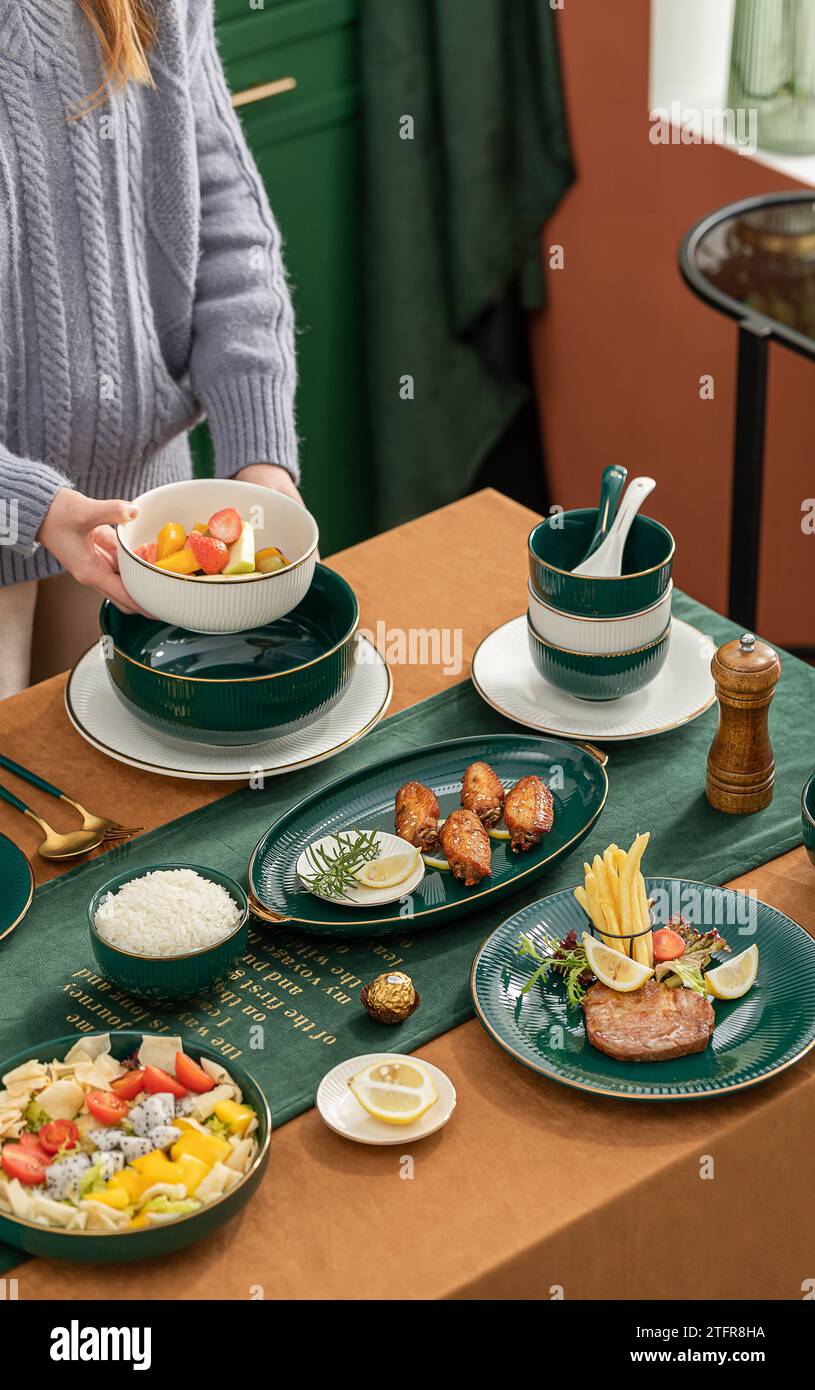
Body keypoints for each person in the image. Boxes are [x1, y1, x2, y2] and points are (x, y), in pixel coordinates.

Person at [0, 0, 299, 696]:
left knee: (139, 792)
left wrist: (259, 460)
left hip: (138, 511)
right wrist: (33, 504)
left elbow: (227, 227)